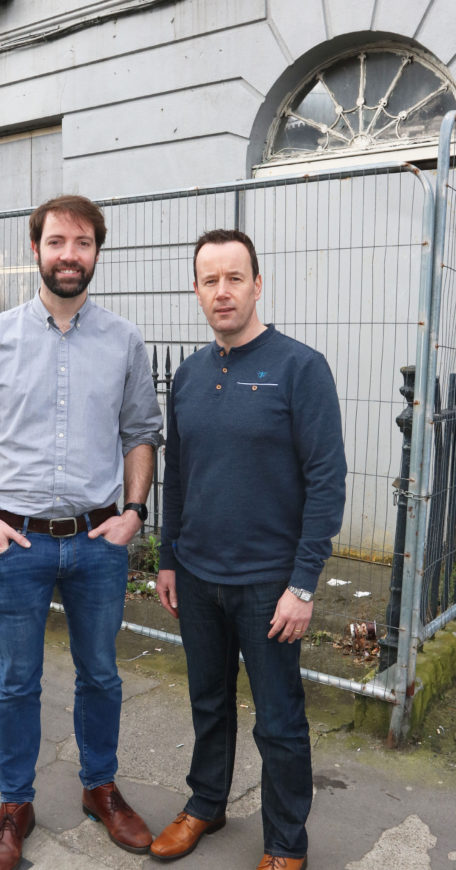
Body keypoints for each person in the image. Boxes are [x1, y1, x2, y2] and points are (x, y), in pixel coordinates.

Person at [0, 194, 162, 870]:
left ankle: (100, 787)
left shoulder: (124, 340)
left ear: (97, 252)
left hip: (98, 543)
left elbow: (141, 435)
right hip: (14, 543)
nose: (71, 254)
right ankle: (16, 803)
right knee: (17, 679)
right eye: (58, 242)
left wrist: (134, 513)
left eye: (84, 243)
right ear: (36, 248)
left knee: (101, 674)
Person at [151, 229, 346, 870]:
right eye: (211, 281)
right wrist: (168, 556)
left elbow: (326, 480)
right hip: (200, 577)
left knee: (279, 722)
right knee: (208, 702)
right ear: (198, 292)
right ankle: (206, 802)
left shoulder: (300, 367)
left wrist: (304, 584)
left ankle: (287, 844)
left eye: (235, 278)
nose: (223, 291)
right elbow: (175, 474)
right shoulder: (188, 375)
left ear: (258, 284)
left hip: (270, 586)